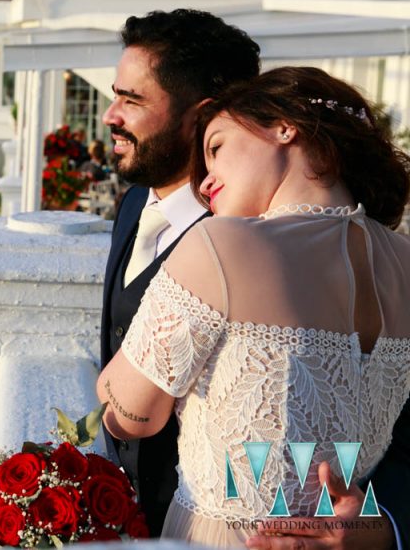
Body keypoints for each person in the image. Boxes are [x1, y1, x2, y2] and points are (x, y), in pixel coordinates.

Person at [98, 66, 410, 547]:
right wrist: (380, 531)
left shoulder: (221, 244)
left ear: (286, 127)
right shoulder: (406, 261)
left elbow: (133, 416)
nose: (204, 185)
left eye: (216, 147)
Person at [99, 9, 262, 536]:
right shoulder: (132, 204)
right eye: (115, 94)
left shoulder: (258, 242)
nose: (109, 115)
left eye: (132, 100)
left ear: (201, 115)